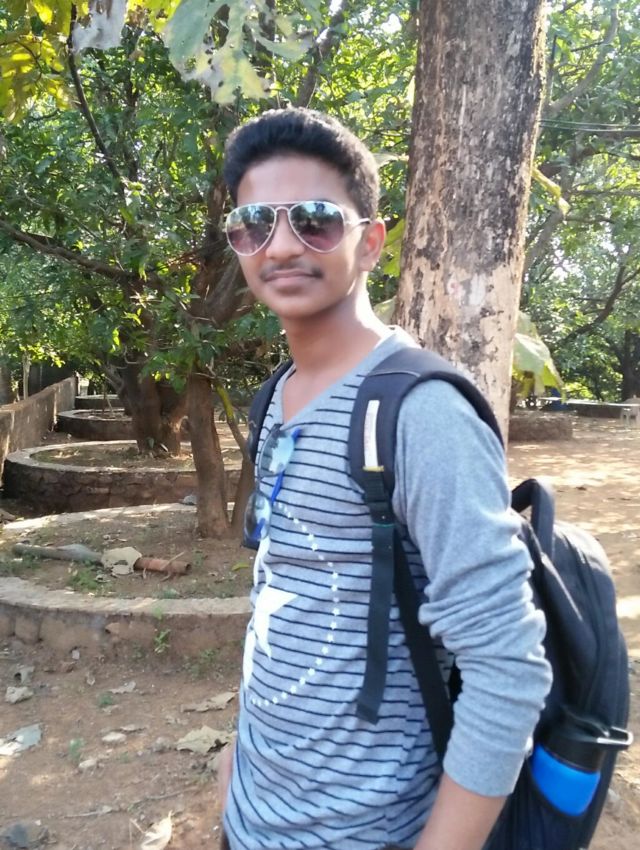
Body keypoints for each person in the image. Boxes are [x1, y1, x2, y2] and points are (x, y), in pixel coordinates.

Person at [217, 107, 551, 850]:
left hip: (368, 830)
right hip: (253, 818)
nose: (281, 246)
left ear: (370, 242)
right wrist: (237, 768)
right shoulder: (276, 398)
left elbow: (506, 665)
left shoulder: (420, 413)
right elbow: (283, 595)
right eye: (253, 224)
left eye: (314, 220)